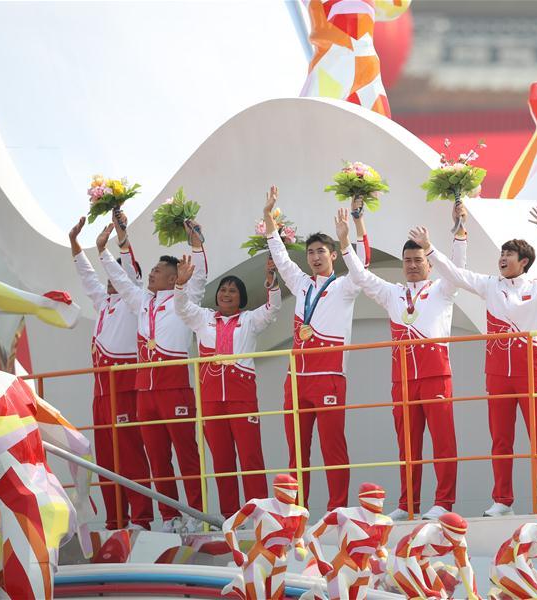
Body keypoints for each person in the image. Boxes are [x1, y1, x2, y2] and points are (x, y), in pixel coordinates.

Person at [408, 224, 537, 517]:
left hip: (531, 370)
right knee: (501, 439)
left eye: (509, 253)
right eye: (501, 252)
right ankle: (502, 499)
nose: (502, 257)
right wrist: (430, 247)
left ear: (523, 261)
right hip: (497, 372)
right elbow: (455, 274)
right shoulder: (490, 285)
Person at [335, 203, 469, 521]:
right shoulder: (391, 293)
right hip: (403, 379)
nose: (411, 265)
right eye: (407, 260)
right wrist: (344, 243)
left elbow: (458, 268)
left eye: (418, 260)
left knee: (443, 443)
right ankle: (409, 503)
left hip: (436, 375)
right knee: (407, 446)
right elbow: (361, 277)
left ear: (429, 264)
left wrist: (459, 229)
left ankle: (444, 502)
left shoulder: (442, 289)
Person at [0, 305, 93, 599]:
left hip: (26, 515)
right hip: (51, 506)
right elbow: (80, 445)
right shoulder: (14, 384)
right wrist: (82, 502)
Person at [98, 214, 207, 532]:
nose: (152, 275)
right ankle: (170, 518)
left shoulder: (185, 299)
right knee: (158, 460)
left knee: (187, 456)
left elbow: (198, 279)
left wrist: (197, 244)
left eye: (158, 271)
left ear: (174, 278)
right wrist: (109, 248)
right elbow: (120, 279)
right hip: (144, 393)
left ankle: (196, 516)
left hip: (174, 389)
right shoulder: (142, 301)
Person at [263, 185, 368, 510]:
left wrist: (354, 226)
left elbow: (362, 264)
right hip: (296, 378)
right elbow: (280, 257)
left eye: (321, 251)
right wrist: (268, 218)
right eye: (311, 252)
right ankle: (297, 509)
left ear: (333, 255)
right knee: (297, 451)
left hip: (329, 374)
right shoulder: (302, 283)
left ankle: (337, 509)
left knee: (332, 448)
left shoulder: (346, 285)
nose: (315, 256)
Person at [174, 254, 281, 518]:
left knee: (250, 459)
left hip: (241, 397)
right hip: (211, 400)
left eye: (233, 290)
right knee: (222, 462)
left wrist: (272, 281)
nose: (226, 293)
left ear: (241, 298)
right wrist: (180, 285)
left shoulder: (250, 320)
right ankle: (230, 516)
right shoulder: (203, 318)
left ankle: (258, 515)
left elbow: (273, 308)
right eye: (223, 289)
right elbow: (182, 308)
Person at [70, 215, 153, 530]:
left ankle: (142, 519)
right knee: (105, 459)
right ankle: (116, 520)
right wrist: (75, 242)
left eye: (116, 276)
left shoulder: (135, 302)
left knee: (130, 454)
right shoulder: (103, 302)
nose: (109, 280)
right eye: (109, 277)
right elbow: (86, 274)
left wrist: (121, 234)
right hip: (101, 392)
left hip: (125, 387)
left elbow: (129, 269)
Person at [221, 474, 309, 600]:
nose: (293, 493)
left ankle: (240, 586)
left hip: (281, 561)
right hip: (258, 559)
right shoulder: (258, 505)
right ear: (277, 489)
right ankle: (241, 586)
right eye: (289, 489)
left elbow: (298, 537)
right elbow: (228, 525)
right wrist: (236, 551)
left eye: (295, 490)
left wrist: (300, 548)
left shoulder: (302, 513)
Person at [302, 482, 393, 600]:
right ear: (363, 498)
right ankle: (315, 596)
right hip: (342, 569)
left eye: (381, 499)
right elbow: (312, 533)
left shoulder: (386, 522)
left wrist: (385, 561)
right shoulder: (343, 514)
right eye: (375, 498)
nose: (379, 503)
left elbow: (380, 548)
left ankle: (316, 596)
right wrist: (320, 560)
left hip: (364, 572)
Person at [388, 512, 479, 600]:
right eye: (456, 533)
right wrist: (425, 589)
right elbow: (411, 561)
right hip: (400, 560)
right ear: (444, 528)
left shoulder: (460, 541)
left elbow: (465, 567)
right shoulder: (427, 531)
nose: (459, 538)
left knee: (443, 596)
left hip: (422, 564)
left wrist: (473, 594)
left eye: (461, 534)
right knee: (418, 596)